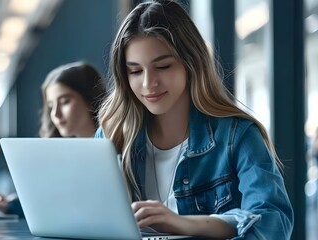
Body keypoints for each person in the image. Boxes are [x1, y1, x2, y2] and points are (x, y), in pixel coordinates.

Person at [94, 1, 293, 239]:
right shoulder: (111, 135)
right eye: (135, 71)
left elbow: (274, 223)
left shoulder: (237, 136)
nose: (148, 84)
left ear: (191, 63)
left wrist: (185, 224)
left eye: (163, 66)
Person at [0, 61, 107, 216]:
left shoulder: (114, 146)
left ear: (90, 99)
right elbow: (57, 200)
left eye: (65, 101)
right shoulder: (63, 155)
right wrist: (10, 204)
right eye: (50, 106)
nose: (55, 114)